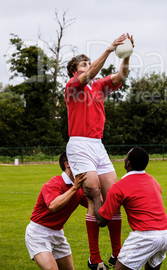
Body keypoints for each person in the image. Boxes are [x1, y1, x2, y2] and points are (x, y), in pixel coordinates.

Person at [65, 33, 134, 270]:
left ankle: (116, 254)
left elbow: (122, 75)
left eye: (87, 62)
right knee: (93, 190)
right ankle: (94, 258)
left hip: (97, 144)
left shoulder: (99, 86)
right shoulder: (73, 85)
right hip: (79, 144)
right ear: (75, 71)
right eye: (83, 63)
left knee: (113, 197)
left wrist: (126, 55)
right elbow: (91, 73)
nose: (88, 64)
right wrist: (109, 49)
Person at [84, 147, 167, 270]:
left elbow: (101, 221)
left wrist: (95, 197)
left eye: (126, 156)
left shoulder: (119, 187)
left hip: (145, 236)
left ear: (128, 163)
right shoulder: (153, 181)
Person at [25, 152, 87, 270]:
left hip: (58, 233)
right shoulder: (54, 183)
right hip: (38, 233)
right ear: (67, 164)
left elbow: (96, 208)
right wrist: (74, 188)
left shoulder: (79, 188)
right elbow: (53, 206)